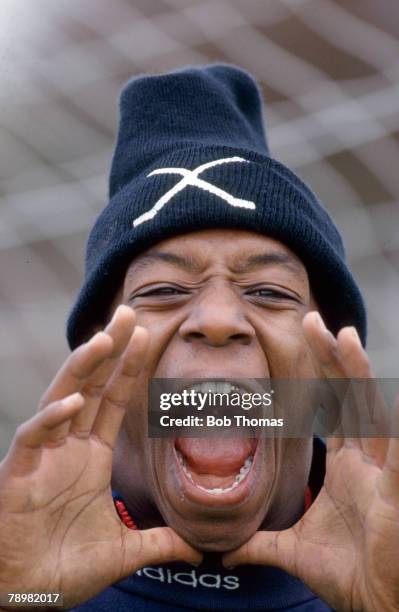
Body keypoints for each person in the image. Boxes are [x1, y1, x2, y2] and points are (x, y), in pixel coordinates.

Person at [0, 64, 398, 612]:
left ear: (331, 366)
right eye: (162, 289)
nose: (216, 318)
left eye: (269, 292)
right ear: (96, 365)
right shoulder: (21, 582)